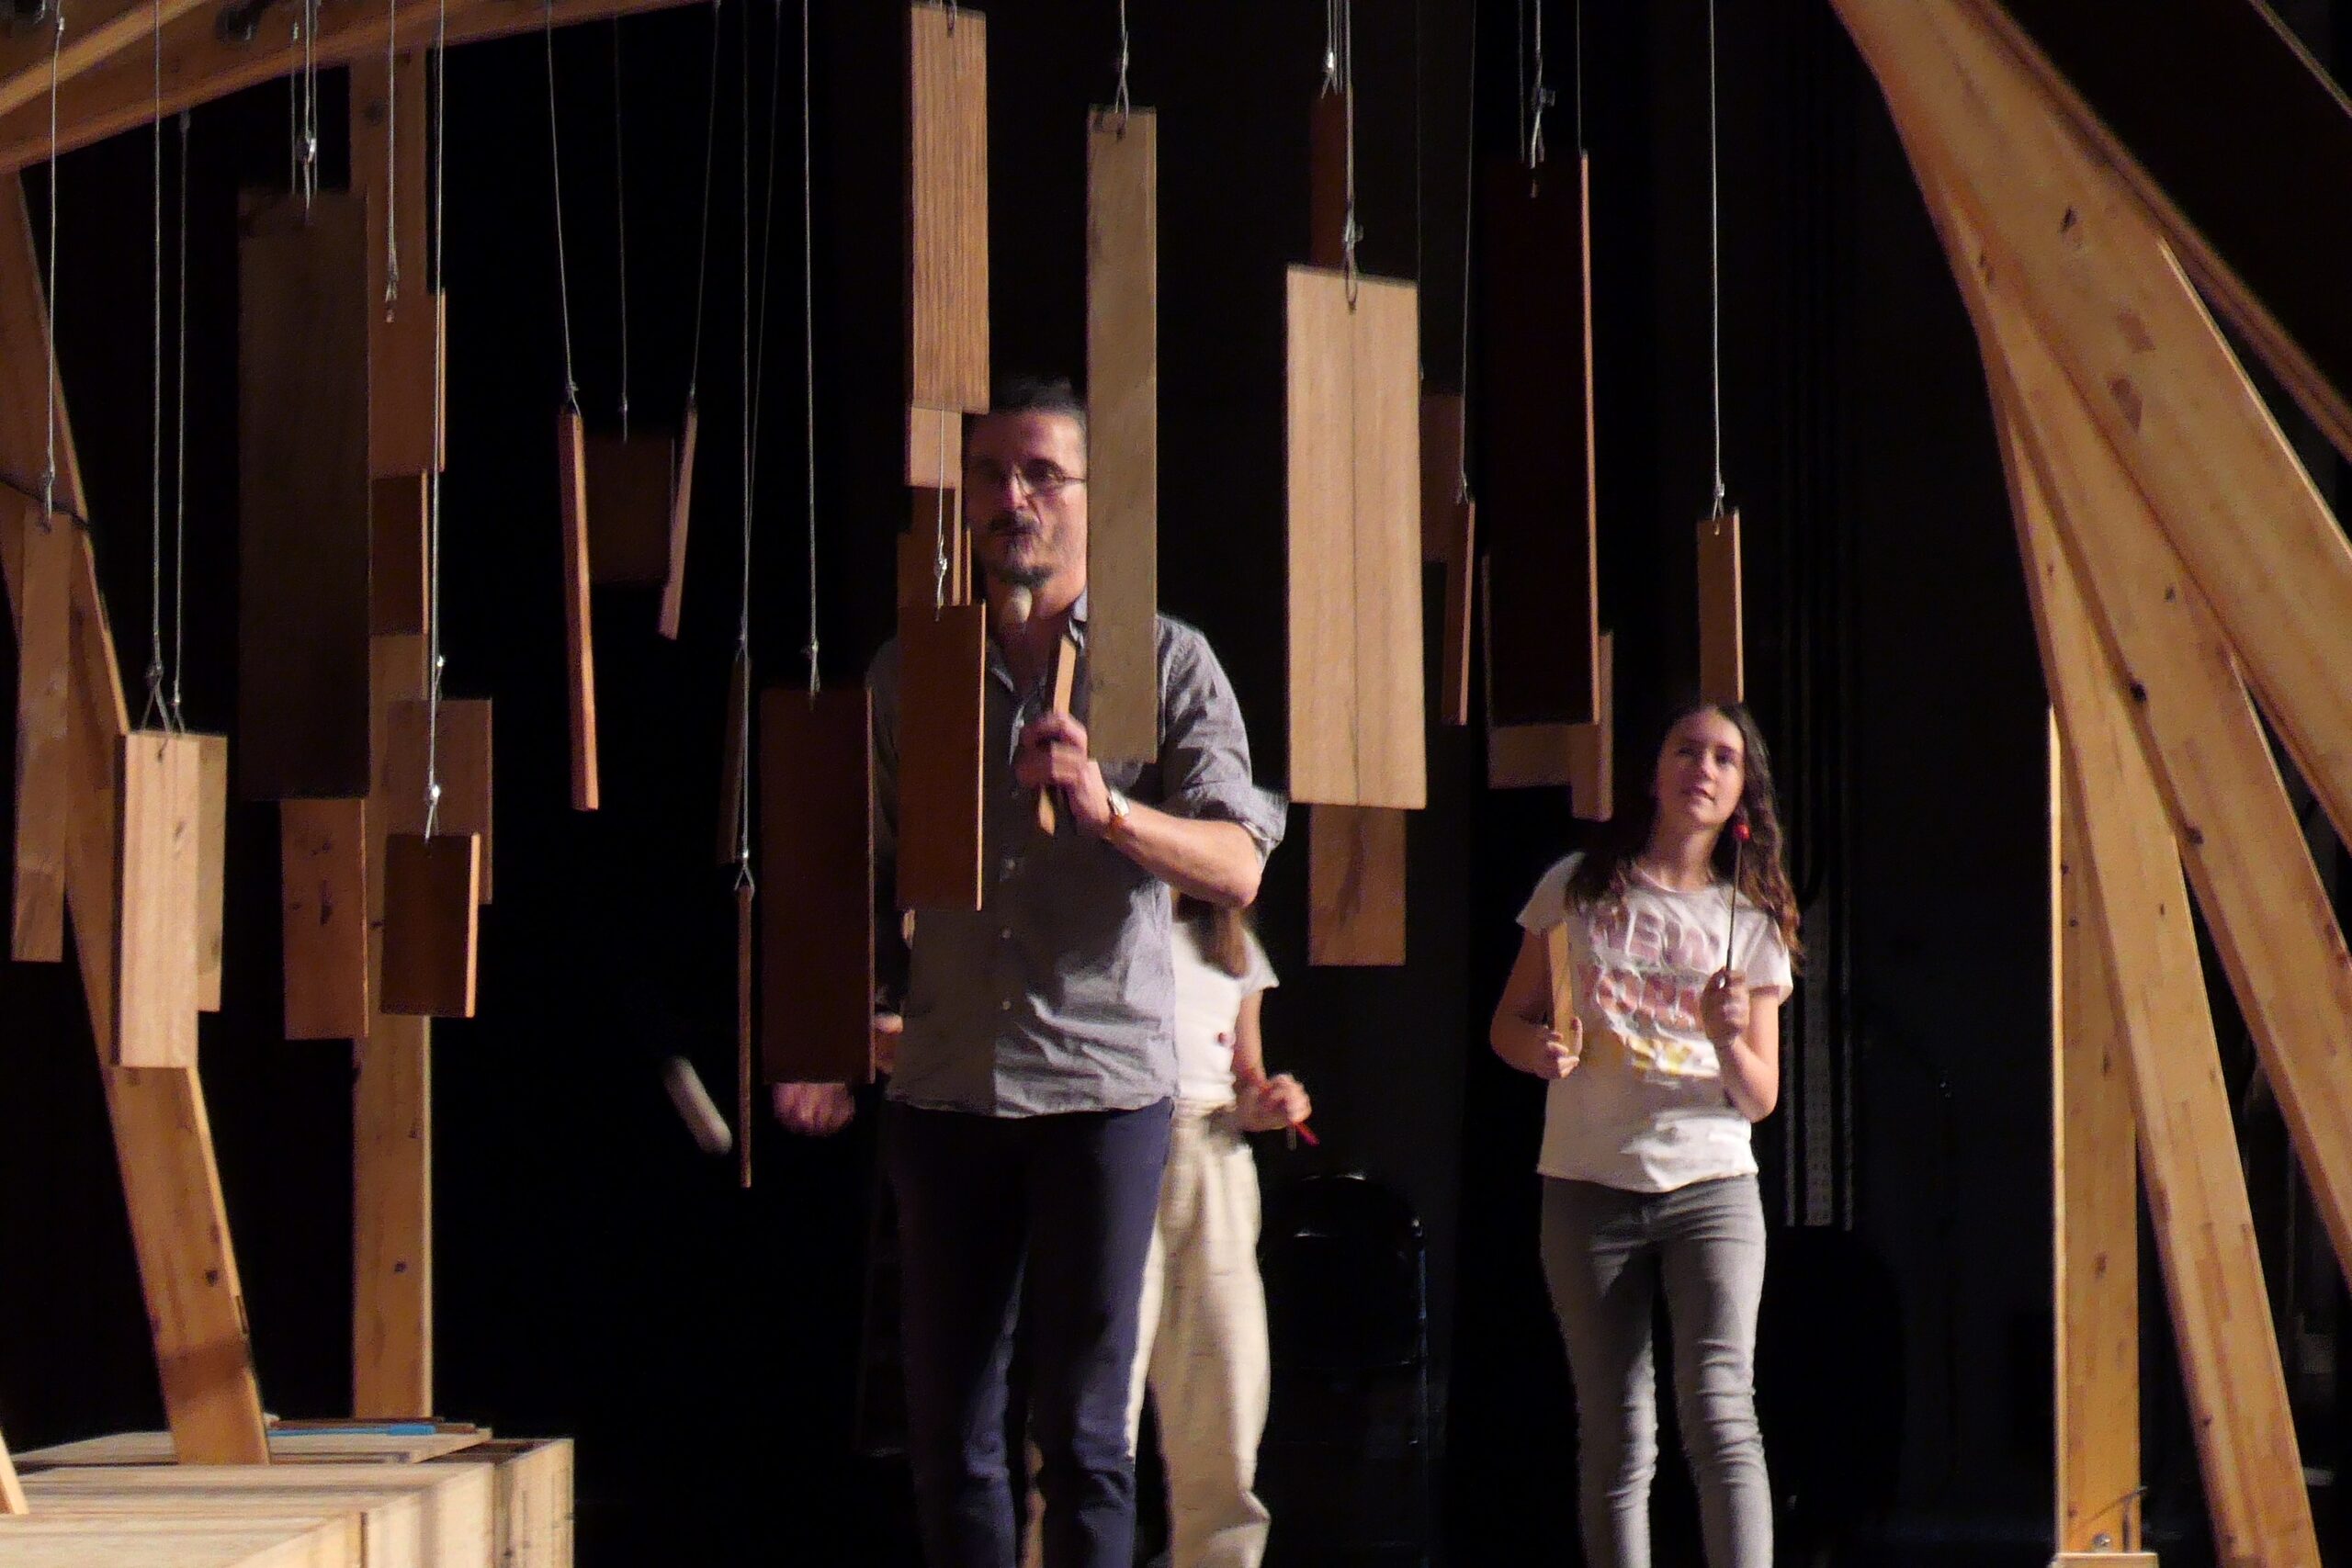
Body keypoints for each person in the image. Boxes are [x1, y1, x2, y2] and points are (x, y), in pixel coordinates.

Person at [775, 375, 1286, 1568]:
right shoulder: (915, 671)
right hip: (948, 1090)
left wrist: (1108, 808)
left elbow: (1237, 863)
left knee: (1086, 1435)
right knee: (951, 1438)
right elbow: (862, 870)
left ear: (1092, 499)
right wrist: (829, 1034)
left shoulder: (1162, 660)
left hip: (1101, 1093)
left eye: (1042, 473)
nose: (1015, 497)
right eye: (993, 474)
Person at [1487, 701, 1800, 1568]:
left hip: (1710, 1186)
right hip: (1587, 1184)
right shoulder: (1578, 886)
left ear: (1743, 794)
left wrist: (1729, 1036)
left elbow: (1760, 1098)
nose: (1703, 767)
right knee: (1618, 1429)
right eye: (1687, 750)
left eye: (1725, 758)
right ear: (1656, 771)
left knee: (1722, 1413)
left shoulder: (1751, 919)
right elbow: (1508, 1024)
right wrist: (1538, 1049)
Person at [1021, 899, 1309, 1568]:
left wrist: (1271, 1102)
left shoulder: (1230, 945)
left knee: (1225, 1399)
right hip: (1114, 1145)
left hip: (1211, 1156)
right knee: (1095, 1410)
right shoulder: (1098, 915)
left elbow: (1245, 1078)